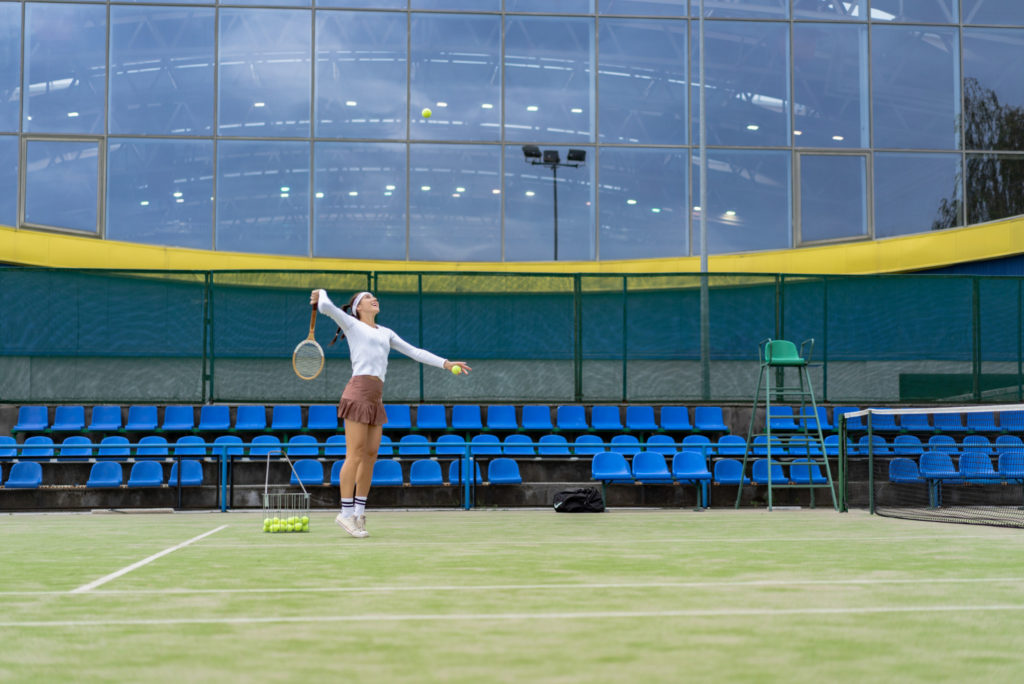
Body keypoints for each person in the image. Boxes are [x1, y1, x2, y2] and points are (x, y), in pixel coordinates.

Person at [310, 288, 470, 538]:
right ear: (358, 308)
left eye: (374, 297)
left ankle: (359, 513)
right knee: (354, 454)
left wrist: (446, 363)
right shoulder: (352, 324)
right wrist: (321, 293)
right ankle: (345, 512)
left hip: (376, 397)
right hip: (357, 393)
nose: (374, 299)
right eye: (367, 298)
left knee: (371, 456)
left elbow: (415, 352)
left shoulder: (386, 332)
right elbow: (326, 307)